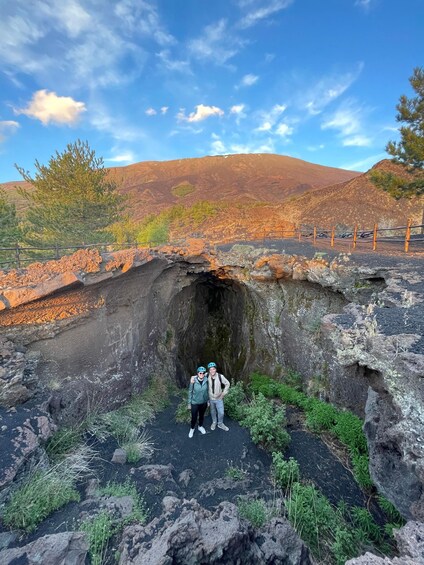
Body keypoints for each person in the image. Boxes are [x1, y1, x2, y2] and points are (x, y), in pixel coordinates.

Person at [207, 362, 230, 431]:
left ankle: (220, 423)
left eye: (213, 369)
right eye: (210, 369)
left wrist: (223, 394)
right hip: (211, 398)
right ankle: (214, 422)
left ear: (215, 369)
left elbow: (227, 384)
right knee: (213, 411)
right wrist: (193, 378)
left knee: (221, 412)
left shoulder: (220, 376)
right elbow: (199, 375)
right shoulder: (206, 376)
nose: (212, 371)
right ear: (209, 370)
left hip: (219, 398)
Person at [187, 366, 209, 438]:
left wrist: (208, 401)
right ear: (197, 373)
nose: (202, 374)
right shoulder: (193, 381)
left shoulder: (206, 380)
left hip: (203, 402)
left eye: (203, 373)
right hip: (195, 403)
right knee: (194, 417)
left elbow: (208, 391)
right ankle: (192, 429)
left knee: (202, 416)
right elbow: (190, 392)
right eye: (200, 373)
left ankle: (200, 426)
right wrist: (189, 403)